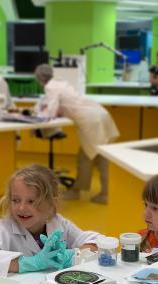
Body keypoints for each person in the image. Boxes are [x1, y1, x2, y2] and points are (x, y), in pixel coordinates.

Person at [0, 164, 99, 276]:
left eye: (31, 201)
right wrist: (29, 263)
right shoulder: (3, 229)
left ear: (50, 204)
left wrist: (72, 256)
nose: (21, 207)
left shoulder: (59, 223)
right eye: (16, 200)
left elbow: (95, 242)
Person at [33, 63, 119, 204]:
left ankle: (100, 193)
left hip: (91, 120)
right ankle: (83, 190)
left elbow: (52, 110)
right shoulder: (61, 82)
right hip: (100, 113)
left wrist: (42, 112)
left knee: (94, 158)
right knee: (95, 156)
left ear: (40, 80)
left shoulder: (50, 87)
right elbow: (68, 103)